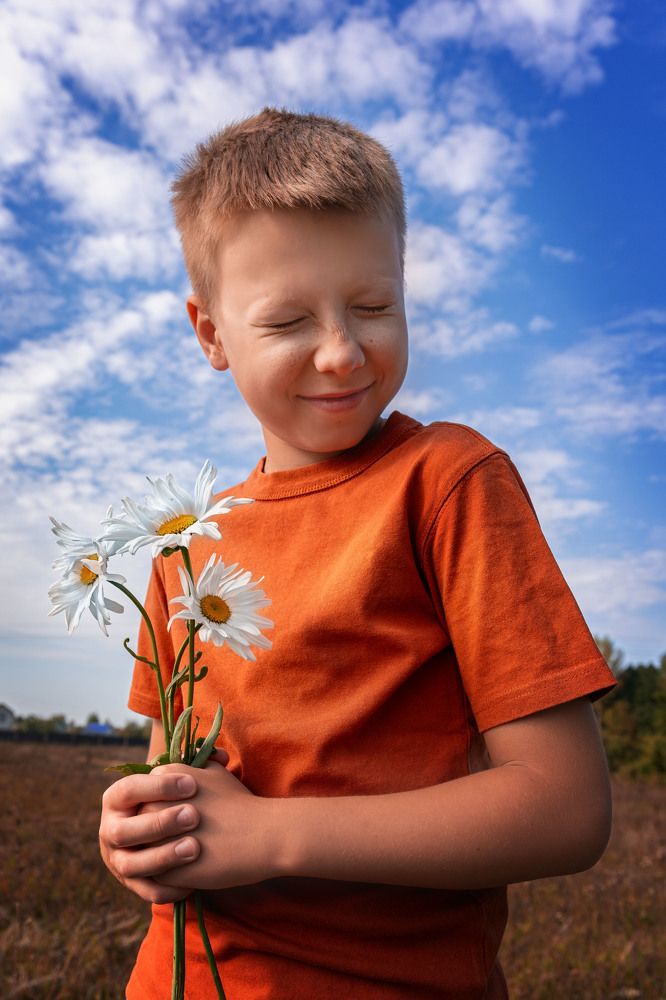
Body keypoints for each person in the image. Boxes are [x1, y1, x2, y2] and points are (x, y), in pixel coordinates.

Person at [99, 107, 616, 999]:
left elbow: (566, 809)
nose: (341, 352)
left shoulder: (449, 481)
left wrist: (269, 835)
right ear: (211, 334)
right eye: (288, 320)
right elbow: (176, 774)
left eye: (373, 306)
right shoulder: (185, 547)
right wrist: (143, 839)